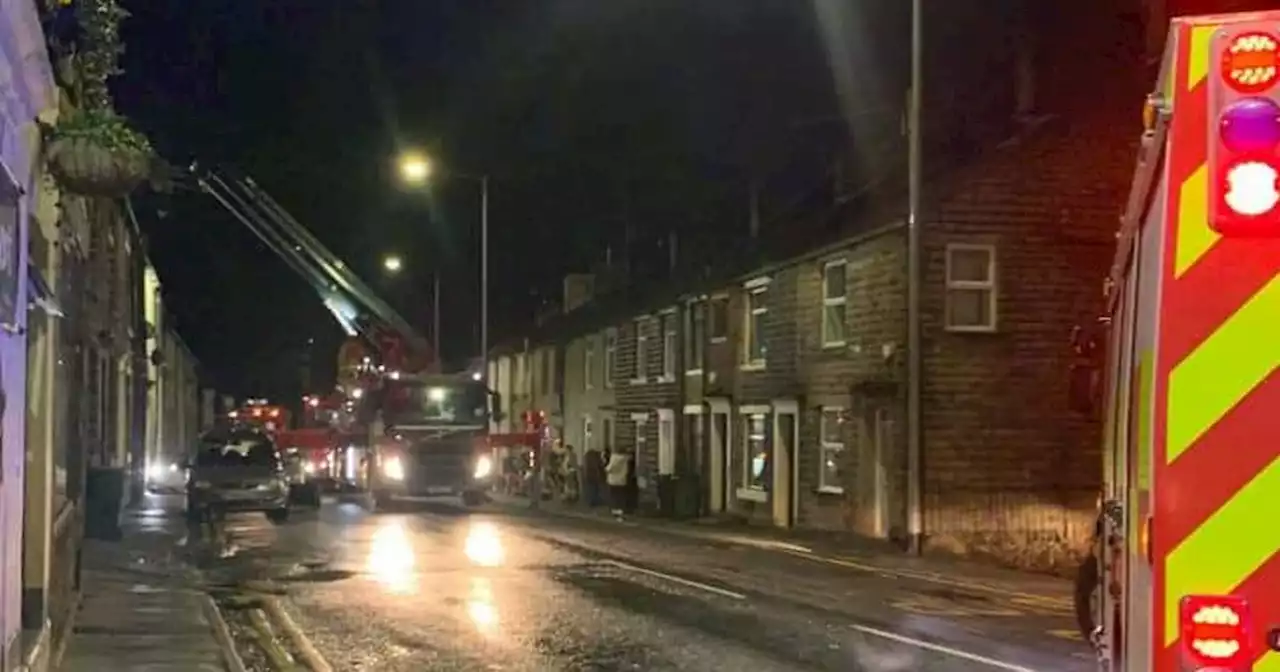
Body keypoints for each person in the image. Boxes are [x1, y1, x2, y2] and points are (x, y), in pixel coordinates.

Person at [605, 449, 630, 520]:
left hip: (613, 480)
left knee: (614, 496)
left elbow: (609, 469)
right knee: (621, 496)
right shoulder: (625, 459)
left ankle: (615, 511)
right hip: (622, 480)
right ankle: (621, 511)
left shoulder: (614, 458)